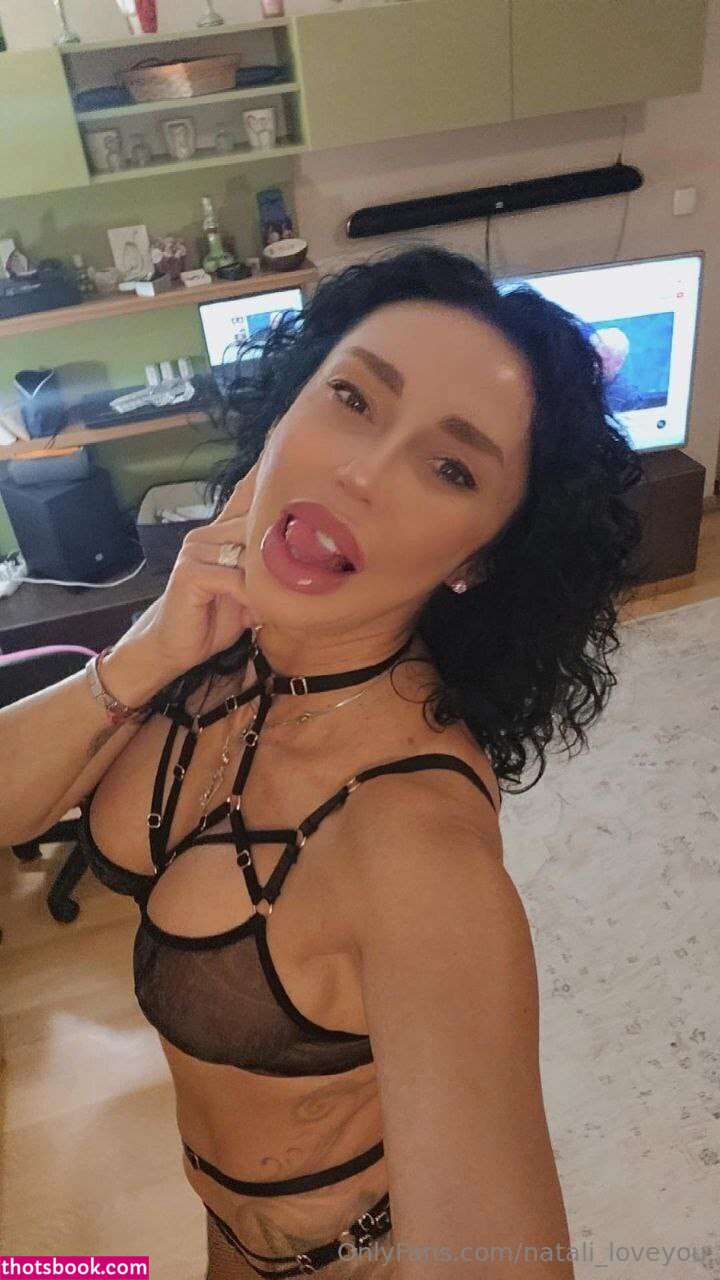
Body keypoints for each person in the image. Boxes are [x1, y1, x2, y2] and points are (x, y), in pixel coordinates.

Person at [0, 245, 644, 1280]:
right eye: (351, 398)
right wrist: (147, 649)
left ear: (481, 555)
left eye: (451, 467)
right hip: (216, 1235)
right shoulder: (214, 648)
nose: (361, 472)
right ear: (287, 406)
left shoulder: (416, 851)